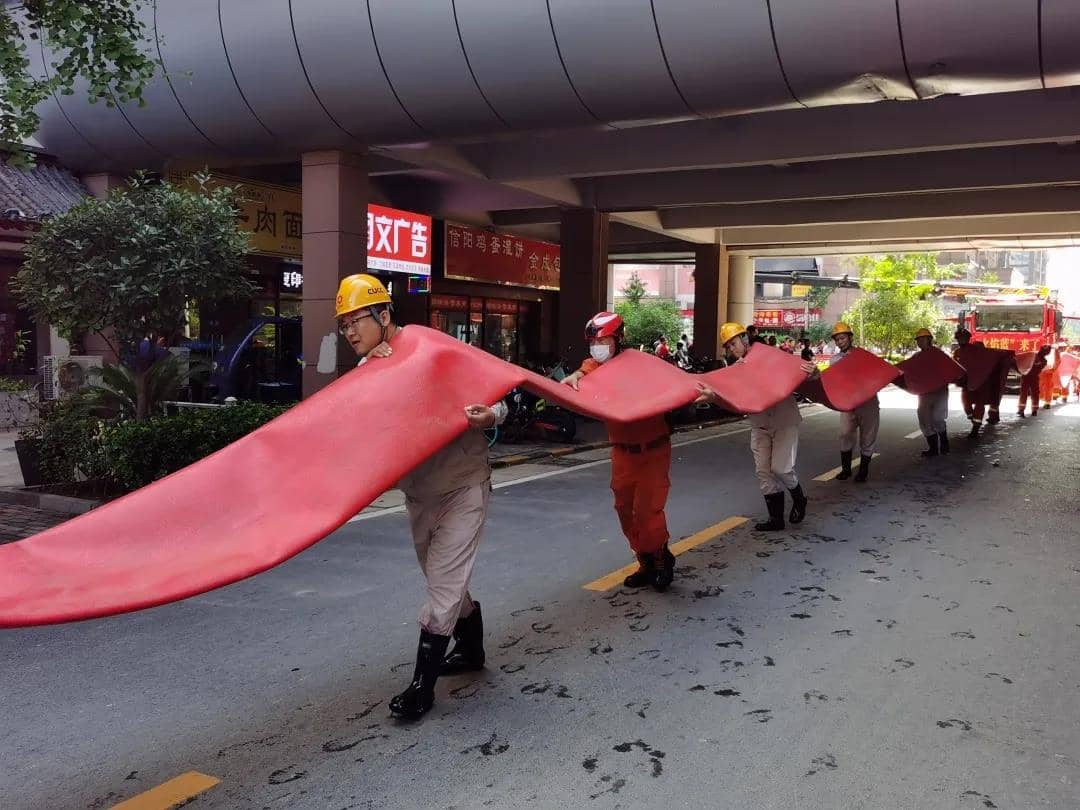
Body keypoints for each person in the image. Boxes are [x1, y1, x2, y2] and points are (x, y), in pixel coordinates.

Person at [335, 274, 507, 721]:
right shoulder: (365, 373)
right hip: (419, 494)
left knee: (443, 583)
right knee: (442, 579)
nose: (350, 331)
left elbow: (498, 391)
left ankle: (421, 687)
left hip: (463, 485)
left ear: (383, 315)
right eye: (344, 324)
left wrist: (491, 415)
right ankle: (471, 649)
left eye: (357, 320)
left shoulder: (430, 349)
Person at [562, 312, 675, 591]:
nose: (597, 347)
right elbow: (582, 373)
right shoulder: (595, 367)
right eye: (593, 342)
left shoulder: (640, 364)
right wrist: (575, 376)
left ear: (618, 339)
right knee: (625, 510)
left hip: (653, 449)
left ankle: (661, 558)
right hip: (623, 452)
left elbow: (671, 382)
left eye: (603, 341)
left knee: (647, 511)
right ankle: (645, 561)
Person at [695, 323, 816, 531]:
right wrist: (714, 397)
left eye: (733, 343)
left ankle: (799, 499)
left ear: (744, 339)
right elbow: (732, 399)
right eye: (728, 346)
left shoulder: (770, 357)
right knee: (763, 472)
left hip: (784, 421)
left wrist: (814, 373)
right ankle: (776, 519)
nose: (731, 349)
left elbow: (799, 371)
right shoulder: (736, 370)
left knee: (781, 468)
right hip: (759, 424)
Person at [826, 322, 880, 482]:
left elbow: (876, 373)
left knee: (868, 436)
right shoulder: (834, 360)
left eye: (842, 338)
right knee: (845, 434)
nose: (839, 342)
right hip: (848, 403)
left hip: (868, 402)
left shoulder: (863, 356)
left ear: (850, 338)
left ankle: (863, 471)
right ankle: (846, 470)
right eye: (837, 339)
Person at [912, 328, 950, 456]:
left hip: (940, 392)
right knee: (925, 420)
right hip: (924, 394)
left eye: (922, 339)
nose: (920, 342)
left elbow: (949, 371)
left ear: (929, 340)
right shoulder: (917, 357)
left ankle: (944, 444)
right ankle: (933, 448)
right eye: (918, 340)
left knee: (938, 419)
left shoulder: (939, 355)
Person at [1018, 345, 1049, 417]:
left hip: (1026, 376)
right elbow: (1040, 369)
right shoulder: (1044, 361)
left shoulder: (1033, 356)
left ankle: (1022, 410)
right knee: (1034, 394)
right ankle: (1033, 410)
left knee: (1024, 393)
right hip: (1033, 377)